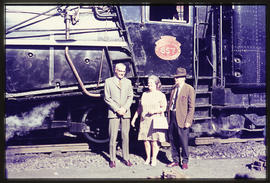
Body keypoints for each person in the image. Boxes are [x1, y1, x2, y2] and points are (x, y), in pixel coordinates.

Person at [131, 75, 167, 166]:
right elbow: (140, 108)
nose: (149, 84)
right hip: (144, 120)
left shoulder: (161, 95)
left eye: (151, 83)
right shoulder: (144, 94)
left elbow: (164, 108)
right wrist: (134, 118)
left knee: (154, 140)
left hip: (155, 120)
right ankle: (148, 157)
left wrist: (155, 111)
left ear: (156, 84)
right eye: (148, 83)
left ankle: (154, 158)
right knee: (146, 140)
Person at [104, 63, 134, 168]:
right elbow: (107, 98)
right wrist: (117, 109)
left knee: (125, 136)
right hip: (113, 113)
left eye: (123, 71)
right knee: (113, 136)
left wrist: (124, 108)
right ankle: (112, 159)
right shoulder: (108, 81)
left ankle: (126, 158)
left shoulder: (128, 82)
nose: (122, 73)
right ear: (115, 70)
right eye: (120, 71)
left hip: (125, 112)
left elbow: (130, 96)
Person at [166, 67, 195, 170]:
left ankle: (185, 161)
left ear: (183, 78)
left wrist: (188, 121)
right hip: (172, 117)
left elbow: (191, 107)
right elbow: (171, 103)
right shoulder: (174, 88)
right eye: (175, 77)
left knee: (183, 141)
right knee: (173, 140)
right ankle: (175, 160)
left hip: (182, 119)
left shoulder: (189, 89)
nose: (175, 79)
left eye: (177, 78)